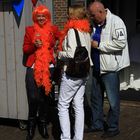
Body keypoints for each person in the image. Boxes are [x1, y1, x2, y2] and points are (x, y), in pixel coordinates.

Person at [85, 1, 130, 138]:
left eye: (93, 15)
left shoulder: (116, 21)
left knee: (113, 100)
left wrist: (99, 45)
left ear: (101, 11)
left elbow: (120, 43)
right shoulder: (94, 24)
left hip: (110, 68)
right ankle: (97, 124)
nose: (91, 17)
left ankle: (113, 127)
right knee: (96, 98)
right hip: (96, 67)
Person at [22, 5, 59, 140]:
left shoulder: (53, 29)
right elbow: (25, 49)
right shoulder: (30, 30)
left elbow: (61, 39)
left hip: (48, 67)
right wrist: (34, 46)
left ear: (47, 17)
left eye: (43, 15)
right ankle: (31, 125)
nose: (41, 18)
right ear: (35, 17)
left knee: (44, 98)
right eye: (39, 16)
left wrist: (57, 50)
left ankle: (42, 123)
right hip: (33, 68)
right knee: (33, 98)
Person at [57, 5, 93, 140]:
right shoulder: (86, 31)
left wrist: (59, 54)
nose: (67, 15)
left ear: (74, 15)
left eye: (69, 13)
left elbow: (71, 54)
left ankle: (65, 137)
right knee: (78, 105)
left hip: (72, 73)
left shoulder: (72, 31)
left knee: (63, 105)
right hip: (84, 72)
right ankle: (78, 138)